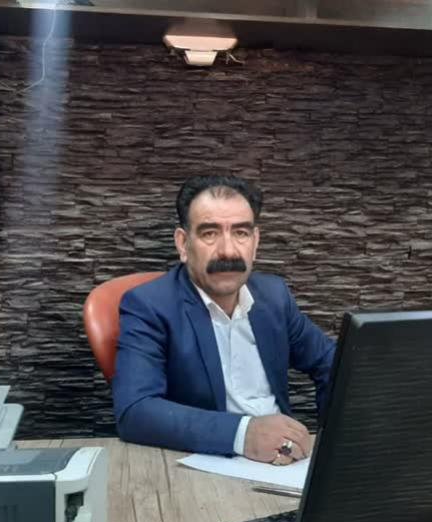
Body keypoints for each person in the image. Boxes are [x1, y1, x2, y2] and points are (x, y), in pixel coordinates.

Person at [112, 175, 336, 465]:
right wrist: (242, 434)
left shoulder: (274, 297)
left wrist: (335, 440)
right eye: (210, 233)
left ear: (255, 242)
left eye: (241, 233)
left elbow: (332, 365)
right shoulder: (149, 305)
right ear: (183, 244)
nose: (228, 251)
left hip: (286, 462)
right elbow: (135, 412)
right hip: (206, 465)